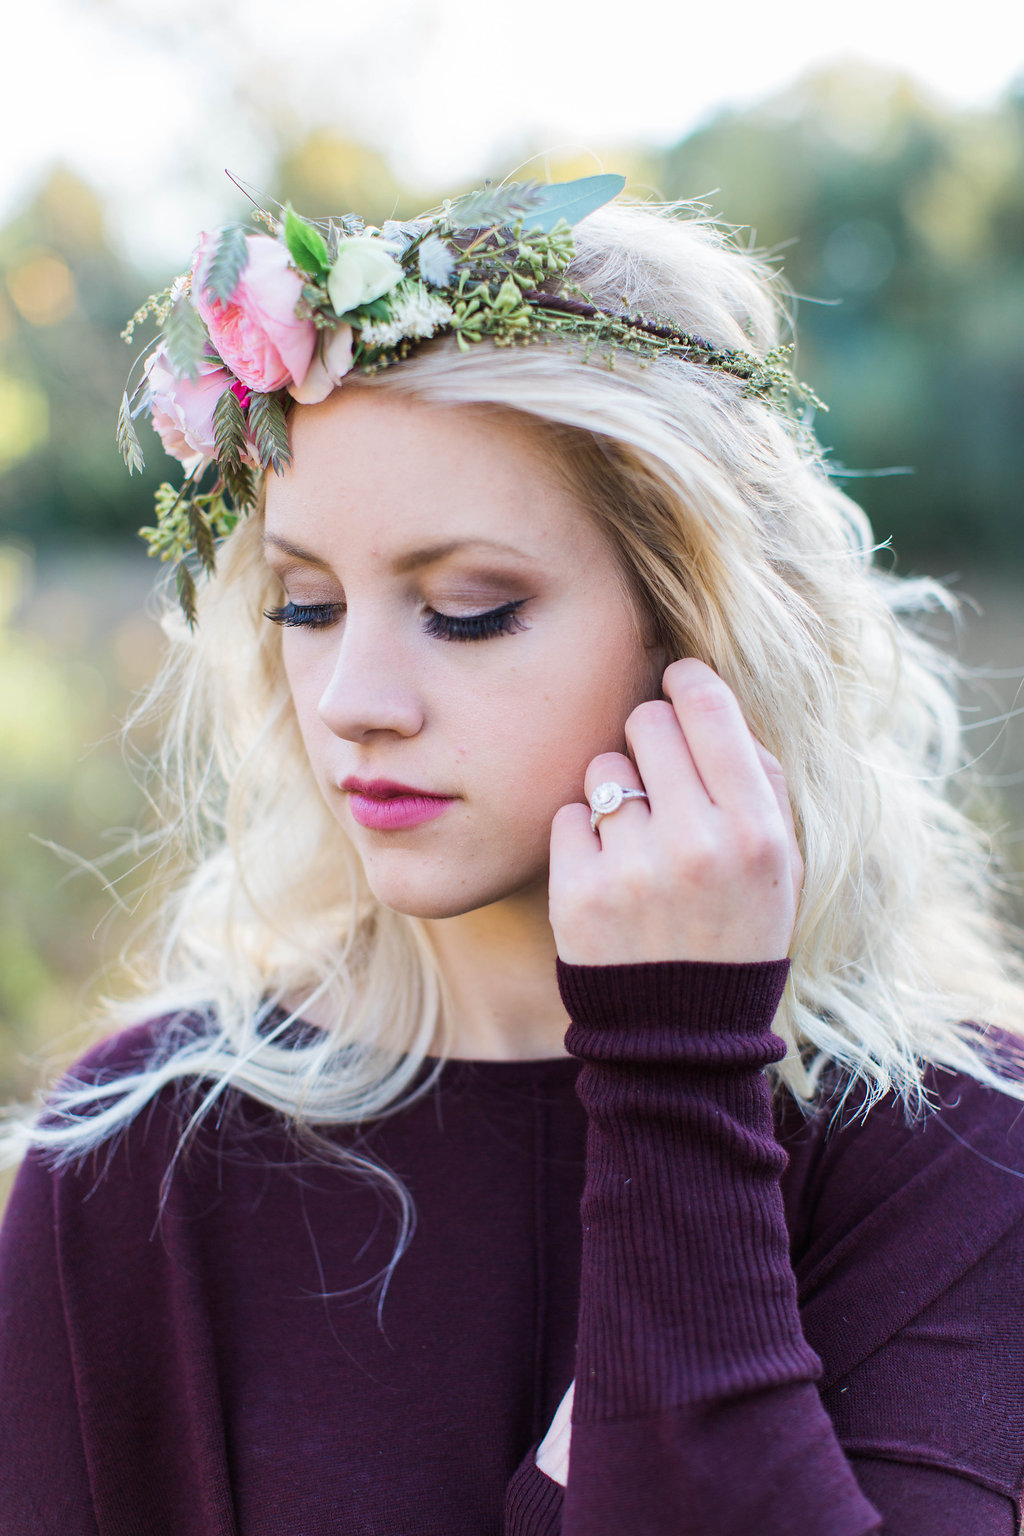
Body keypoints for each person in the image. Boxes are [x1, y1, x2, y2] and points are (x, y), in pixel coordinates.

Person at [1, 173, 1023, 1536]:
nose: (354, 694)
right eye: (305, 603)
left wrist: (677, 1079)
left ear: (692, 630)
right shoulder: (133, 1162)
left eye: (469, 611)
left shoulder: (958, 1162)